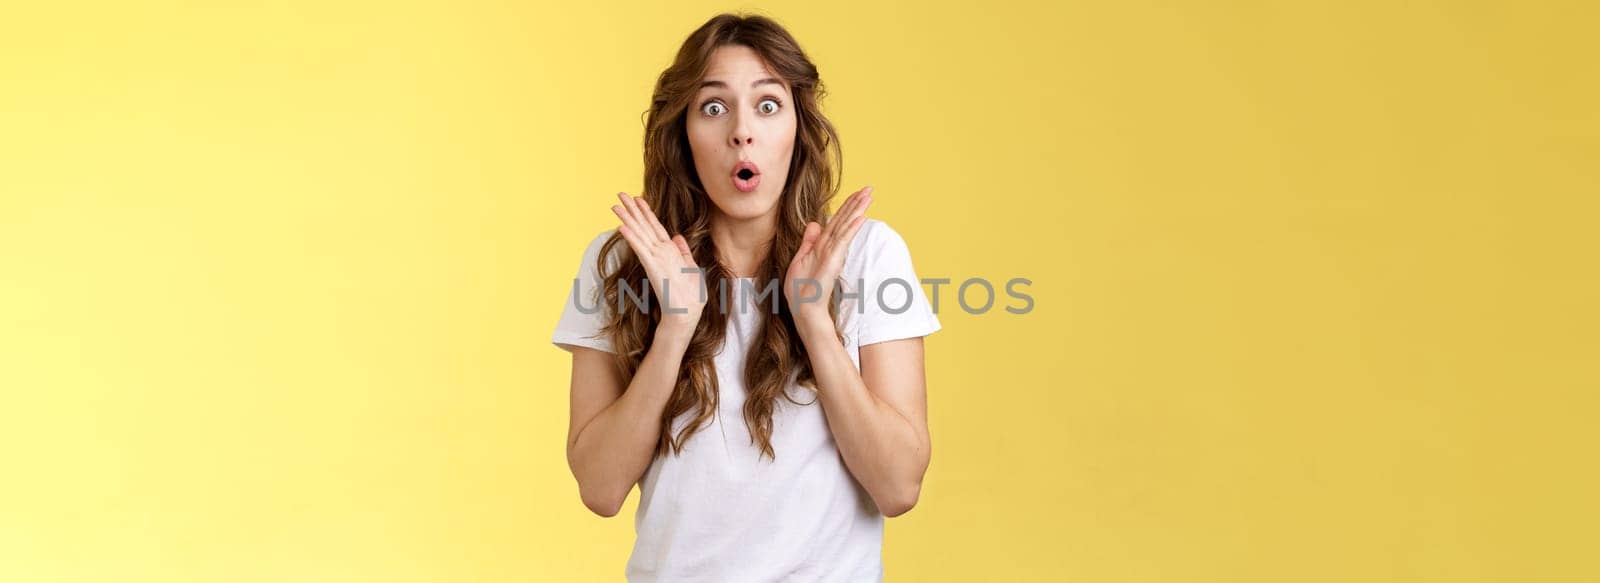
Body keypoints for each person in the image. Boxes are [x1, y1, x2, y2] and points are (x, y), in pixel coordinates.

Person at [551, 13, 941, 582]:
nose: (741, 131)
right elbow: (600, 488)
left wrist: (814, 321)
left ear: (797, 127)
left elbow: (899, 486)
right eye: (713, 107)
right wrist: (674, 331)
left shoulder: (866, 257)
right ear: (682, 131)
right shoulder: (621, 263)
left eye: (766, 105)